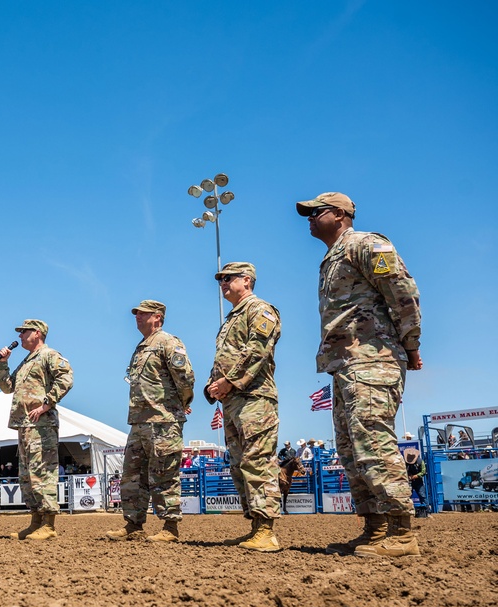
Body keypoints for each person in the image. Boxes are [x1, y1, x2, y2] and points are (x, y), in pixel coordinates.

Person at [297, 191, 423, 557]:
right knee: (352, 450)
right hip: (346, 363)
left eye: (315, 212)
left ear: (339, 214)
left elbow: (403, 293)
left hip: (374, 356)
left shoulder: (366, 244)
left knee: (373, 440)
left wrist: (411, 344)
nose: (309, 218)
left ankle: (402, 532)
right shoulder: (331, 257)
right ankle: (375, 528)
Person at [205, 262, 283, 552]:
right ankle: (255, 528)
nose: (222, 283)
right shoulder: (230, 319)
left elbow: (257, 351)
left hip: (255, 399)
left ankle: (267, 530)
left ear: (247, 280)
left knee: (257, 460)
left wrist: (228, 382)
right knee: (239, 465)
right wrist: (213, 385)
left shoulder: (260, 310)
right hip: (233, 400)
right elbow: (224, 359)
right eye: (220, 280)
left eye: (228, 278)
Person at [106, 300, 195, 543]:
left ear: (158, 317)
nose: (137, 317)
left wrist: (179, 403)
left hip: (163, 421)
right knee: (132, 475)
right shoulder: (142, 346)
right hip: (139, 421)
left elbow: (185, 378)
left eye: (143, 314)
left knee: (164, 474)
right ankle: (133, 524)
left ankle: (170, 527)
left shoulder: (168, 342)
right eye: (136, 314)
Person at [0, 319, 74, 541]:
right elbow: (6, 387)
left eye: (24, 332)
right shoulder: (26, 361)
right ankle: (35, 521)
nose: (20, 336)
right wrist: (3, 363)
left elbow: (66, 378)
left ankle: (48, 525)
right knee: (27, 476)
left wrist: (47, 404)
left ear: (37, 333)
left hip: (41, 425)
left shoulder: (49, 355)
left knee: (42, 473)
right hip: (24, 424)